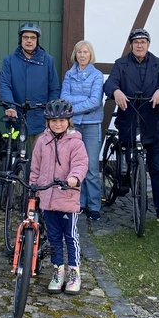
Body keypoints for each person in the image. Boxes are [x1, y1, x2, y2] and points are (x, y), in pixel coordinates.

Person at [105, 28, 159, 226]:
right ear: (131, 45)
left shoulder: (158, 64)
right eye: (136, 42)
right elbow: (109, 83)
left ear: (148, 45)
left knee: (156, 170)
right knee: (130, 168)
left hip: (152, 122)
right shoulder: (121, 64)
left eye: (143, 42)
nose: (140, 45)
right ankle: (136, 205)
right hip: (129, 121)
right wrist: (116, 91)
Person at [30, 99, 88, 295]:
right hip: (47, 198)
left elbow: (80, 164)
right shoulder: (41, 141)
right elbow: (35, 167)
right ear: (47, 122)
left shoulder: (75, 143)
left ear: (69, 121)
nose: (58, 124)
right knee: (54, 238)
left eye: (62, 120)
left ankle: (74, 273)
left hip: (67, 197)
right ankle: (58, 271)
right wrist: (34, 186)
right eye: (53, 121)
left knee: (70, 237)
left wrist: (74, 178)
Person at [61, 40, 104, 221]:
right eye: (79, 52)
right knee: (73, 165)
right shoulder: (69, 75)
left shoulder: (97, 75)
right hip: (73, 125)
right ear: (75, 54)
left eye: (85, 52)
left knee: (92, 167)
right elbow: (64, 98)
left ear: (90, 54)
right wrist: (83, 100)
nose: (82, 55)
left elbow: (95, 101)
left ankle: (94, 206)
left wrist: (73, 106)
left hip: (92, 125)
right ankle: (78, 203)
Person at [0, 22, 60, 143]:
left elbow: (54, 88)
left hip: (40, 116)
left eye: (33, 38)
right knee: (14, 155)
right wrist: (10, 106)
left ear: (37, 40)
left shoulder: (47, 60)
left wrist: (50, 113)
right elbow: (5, 84)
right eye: (25, 37)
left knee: (40, 156)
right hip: (16, 114)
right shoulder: (9, 60)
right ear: (20, 39)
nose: (29, 40)